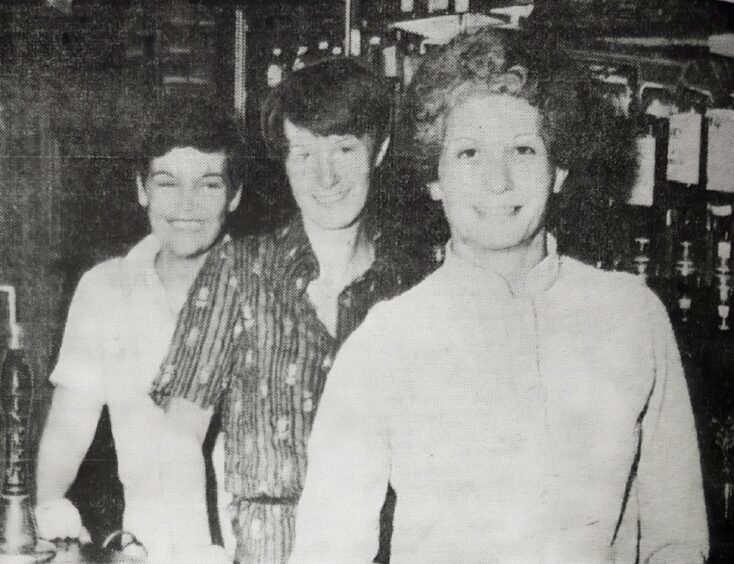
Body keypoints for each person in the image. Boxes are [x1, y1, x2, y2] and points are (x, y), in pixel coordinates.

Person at [289, 28, 709, 563]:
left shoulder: (631, 315)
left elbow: (677, 539)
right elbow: (327, 550)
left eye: (523, 150)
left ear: (558, 169)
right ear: (434, 176)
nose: (498, 181)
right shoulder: (387, 341)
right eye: (468, 153)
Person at [149, 57, 433, 563]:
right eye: (302, 153)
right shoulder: (240, 270)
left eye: (344, 149)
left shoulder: (411, 286)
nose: (324, 176)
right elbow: (175, 442)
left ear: (380, 150)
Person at [35, 97, 243, 563]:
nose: (186, 206)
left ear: (234, 194)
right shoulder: (106, 288)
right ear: (141, 189)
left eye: (209, 185)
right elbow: (69, 428)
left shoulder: (265, 288)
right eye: (167, 183)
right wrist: (50, 512)